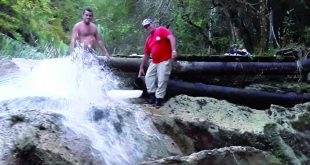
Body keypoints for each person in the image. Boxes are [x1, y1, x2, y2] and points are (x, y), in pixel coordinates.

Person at [138, 18, 177, 106]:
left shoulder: (161, 30)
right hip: (155, 61)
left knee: (162, 79)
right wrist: (141, 67)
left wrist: (174, 51)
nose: (148, 27)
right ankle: (152, 95)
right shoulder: (148, 39)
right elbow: (146, 55)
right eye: (145, 27)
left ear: (153, 24)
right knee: (148, 77)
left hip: (165, 59)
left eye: (149, 25)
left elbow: (171, 38)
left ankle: (159, 99)